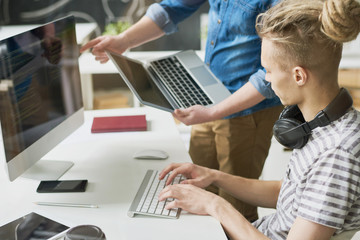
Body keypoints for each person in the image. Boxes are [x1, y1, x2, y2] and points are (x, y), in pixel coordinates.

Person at [158, 0, 360, 239]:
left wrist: (215, 205)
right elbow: (287, 194)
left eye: (269, 70)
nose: (267, 80)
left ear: (298, 76)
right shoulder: (319, 126)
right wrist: (214, 176)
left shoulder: (336, 154)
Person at [80, 0, 283, 222]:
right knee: (195, 190)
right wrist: (123, 40)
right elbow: (171, 9)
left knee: (235, 207)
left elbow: (270, 75)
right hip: (207, 98)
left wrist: (213, 112)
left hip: (247, 110)